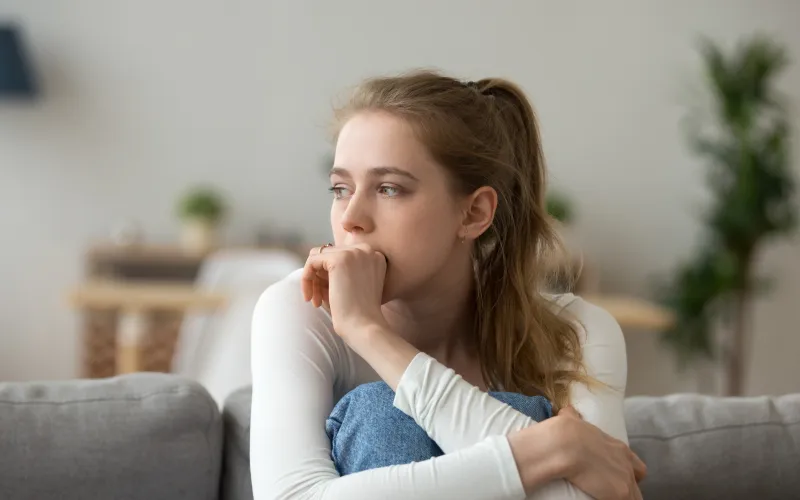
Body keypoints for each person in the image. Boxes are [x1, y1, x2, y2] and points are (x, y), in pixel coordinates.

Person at [250, 70, 647, 500]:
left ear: (474, 213)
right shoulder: (298, 309)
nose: (350, 219)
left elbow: (602, 495)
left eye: (389, 189)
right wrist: (552, 446)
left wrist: (374, 336)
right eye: (341, 188)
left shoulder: (578, 331)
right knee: (380, 415)